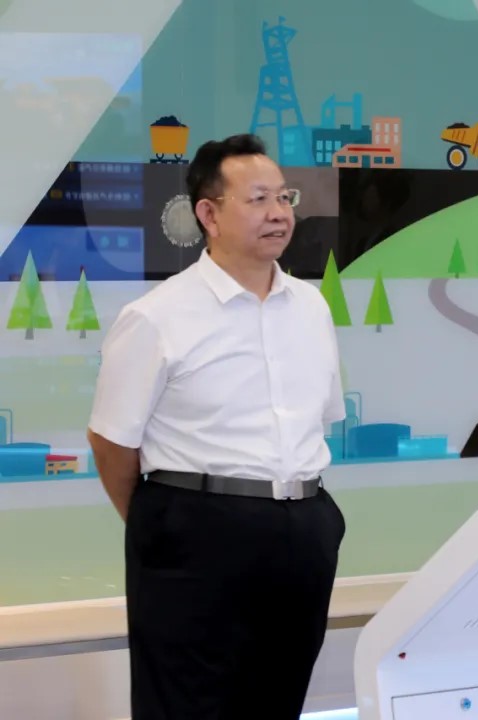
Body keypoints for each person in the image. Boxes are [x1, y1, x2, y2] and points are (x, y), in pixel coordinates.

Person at [87, 134, 348, 719]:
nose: (279, 213)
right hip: (197, 532)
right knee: (188, 705)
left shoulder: (312, 307)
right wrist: (171, 524)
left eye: (284, 197)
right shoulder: (156, 316)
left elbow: (319, 421)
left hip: (303, 527)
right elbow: (110, 441)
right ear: (208, 214)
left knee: (279, 697)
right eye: (258, 199)